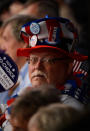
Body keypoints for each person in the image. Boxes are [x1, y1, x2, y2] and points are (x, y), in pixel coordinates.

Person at [17, 16, 88, 110]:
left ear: (68, 67)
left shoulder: (68, 107)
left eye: (48, 60)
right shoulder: (30, 94)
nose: (37, 66)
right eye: (33, 60)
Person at [0, 14, 36, 104]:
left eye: (6, 39)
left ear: (25, 42)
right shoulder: (12, 75)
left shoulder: (34, 78)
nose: (2, 48)